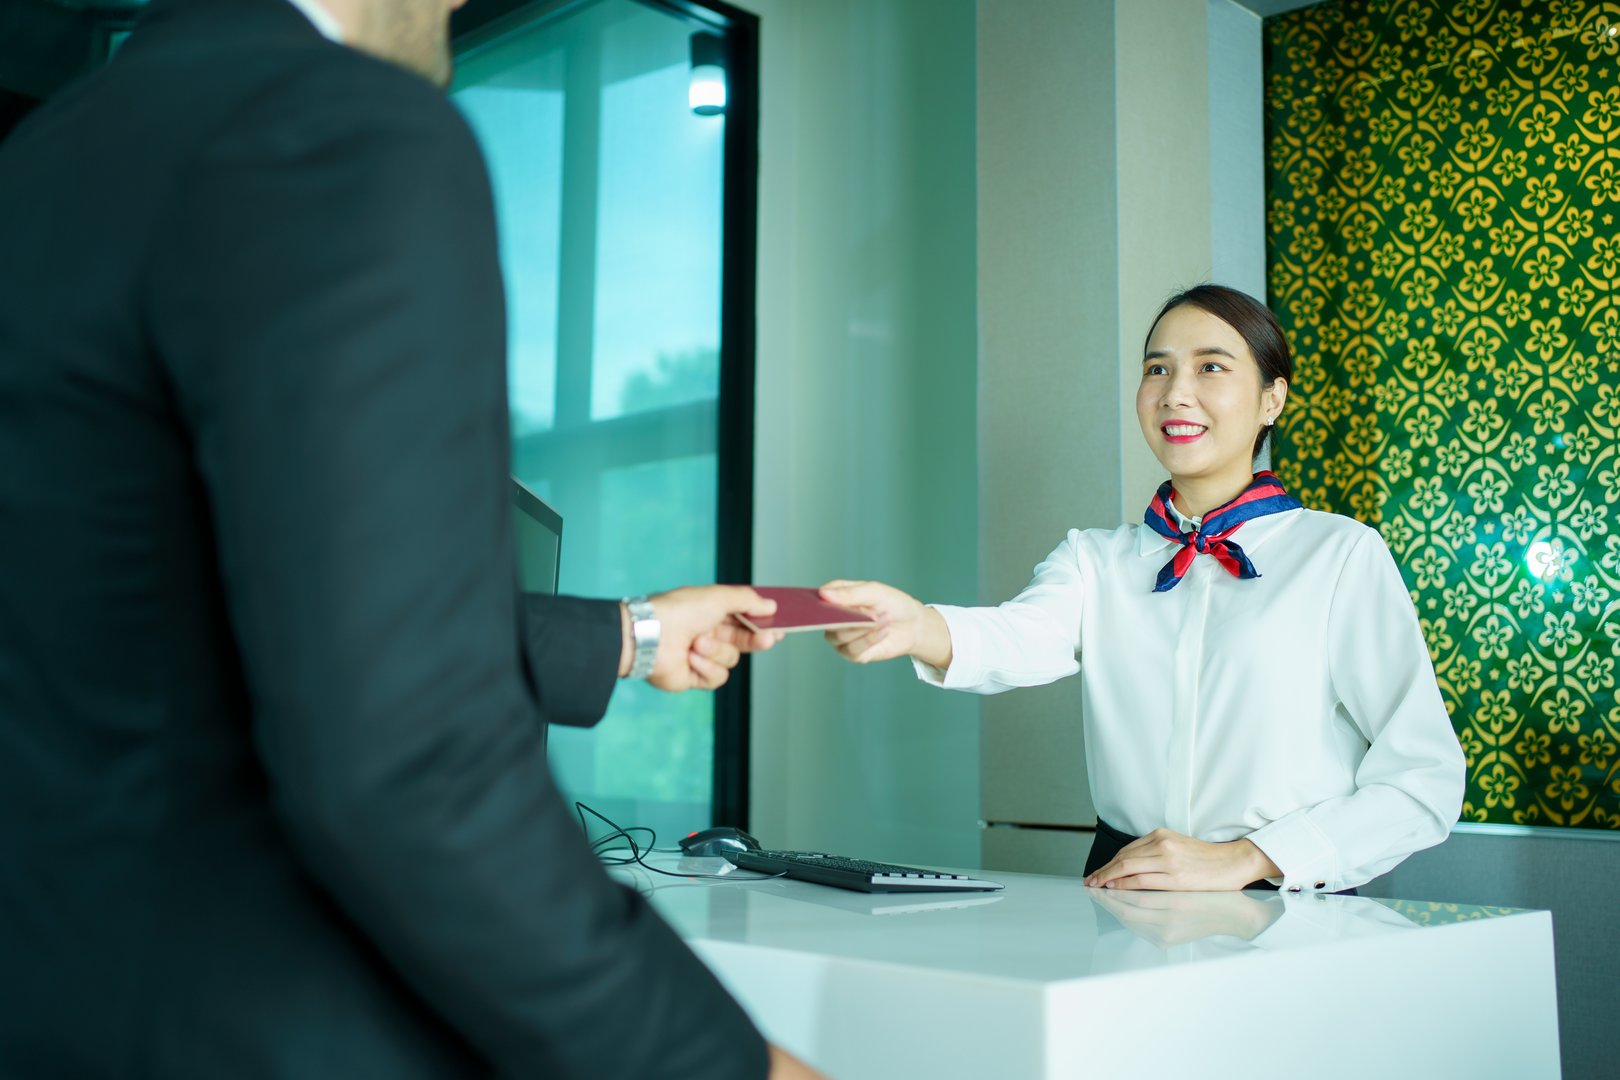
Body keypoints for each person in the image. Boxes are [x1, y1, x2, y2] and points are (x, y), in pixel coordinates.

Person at [0, 0, 822, 1077]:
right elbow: (408, 767)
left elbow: (181, 600)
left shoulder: (43, 161)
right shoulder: (339, 126)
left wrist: (639, 634)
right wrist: (723, 1065)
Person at [820, 284, 1465, 895]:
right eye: (1157, 370)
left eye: (1211, 367)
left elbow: (1424, 777)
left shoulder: (1340, 554)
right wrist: (916, 625)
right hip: (1124, 887)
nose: (1176, 393)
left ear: (1273, 398)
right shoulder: (1095, 559)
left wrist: (1250, 859)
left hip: (1282, 900)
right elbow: (1022, 636)